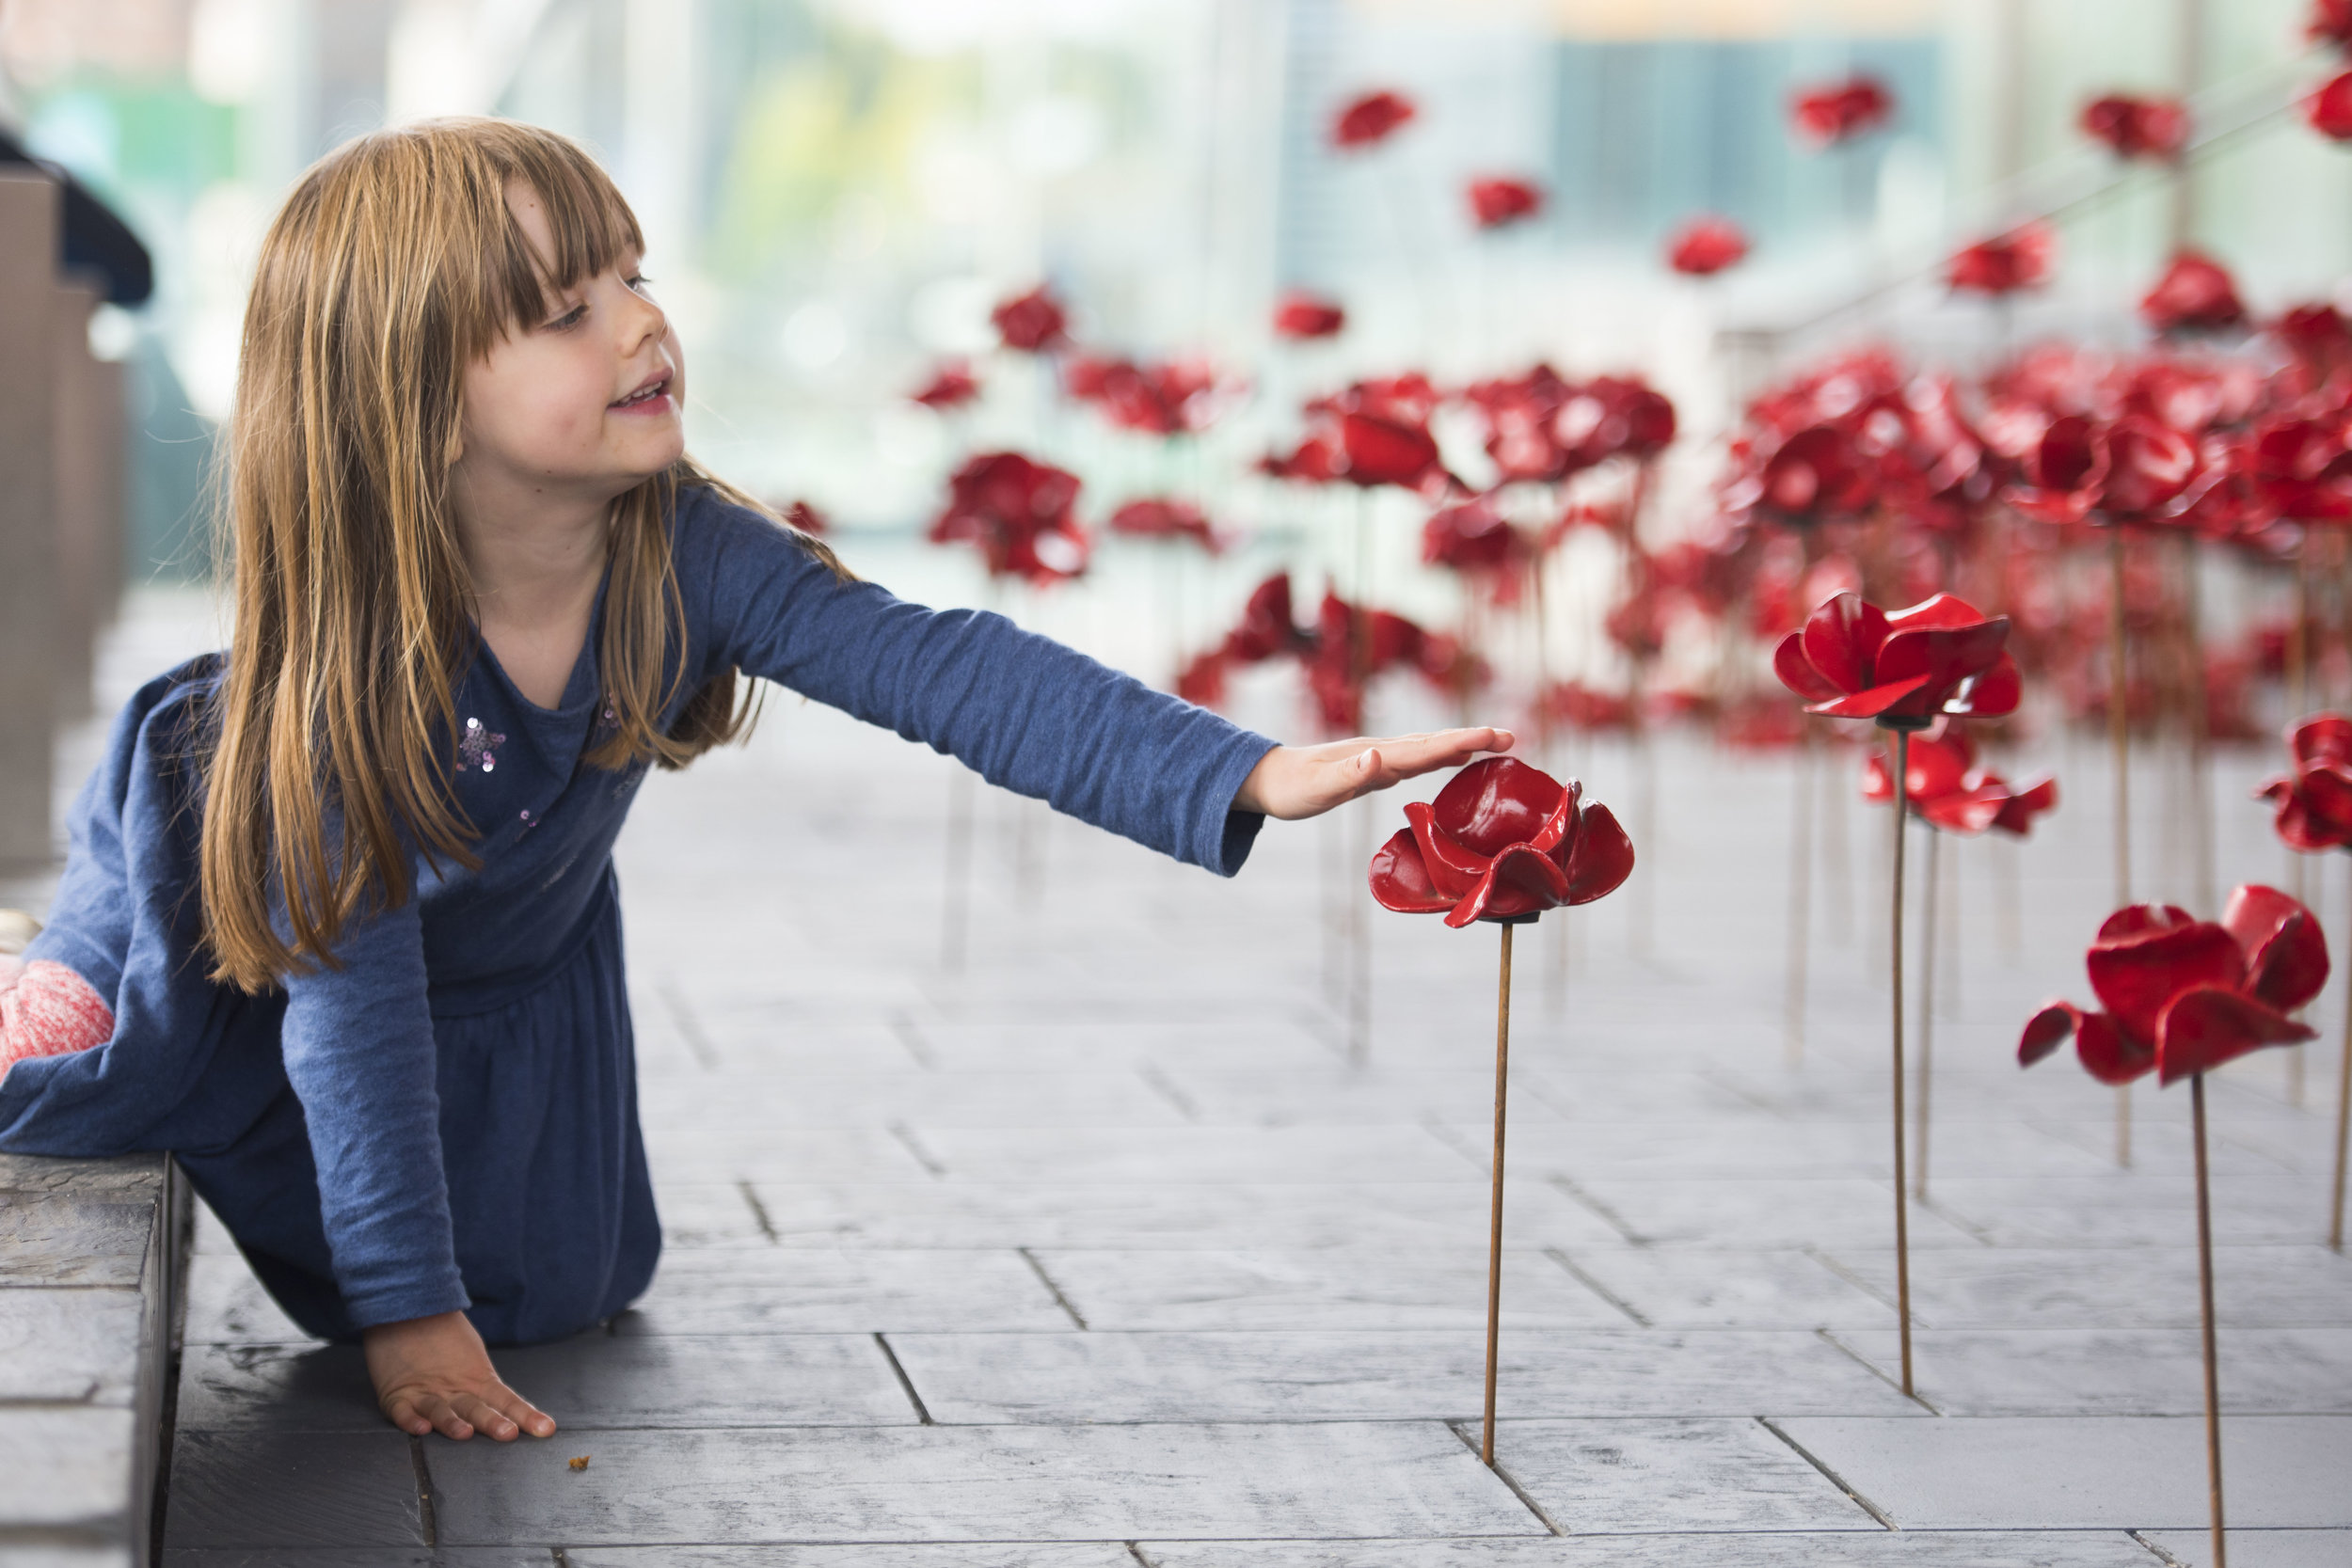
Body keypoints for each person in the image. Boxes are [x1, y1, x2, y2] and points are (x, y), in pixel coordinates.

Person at [0, 119, 1509, 1446]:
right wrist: (402, 1307)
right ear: (413, 400)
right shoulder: (348, 699)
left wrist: (1241, 769)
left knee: (567, 1294)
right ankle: (53, 983)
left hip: (515, 960)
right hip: (246, 948)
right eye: (566, 311)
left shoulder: (685, 549)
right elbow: (353, 1013)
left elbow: (942, 666)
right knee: (111, 1077)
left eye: (634, 278)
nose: (641, 327)